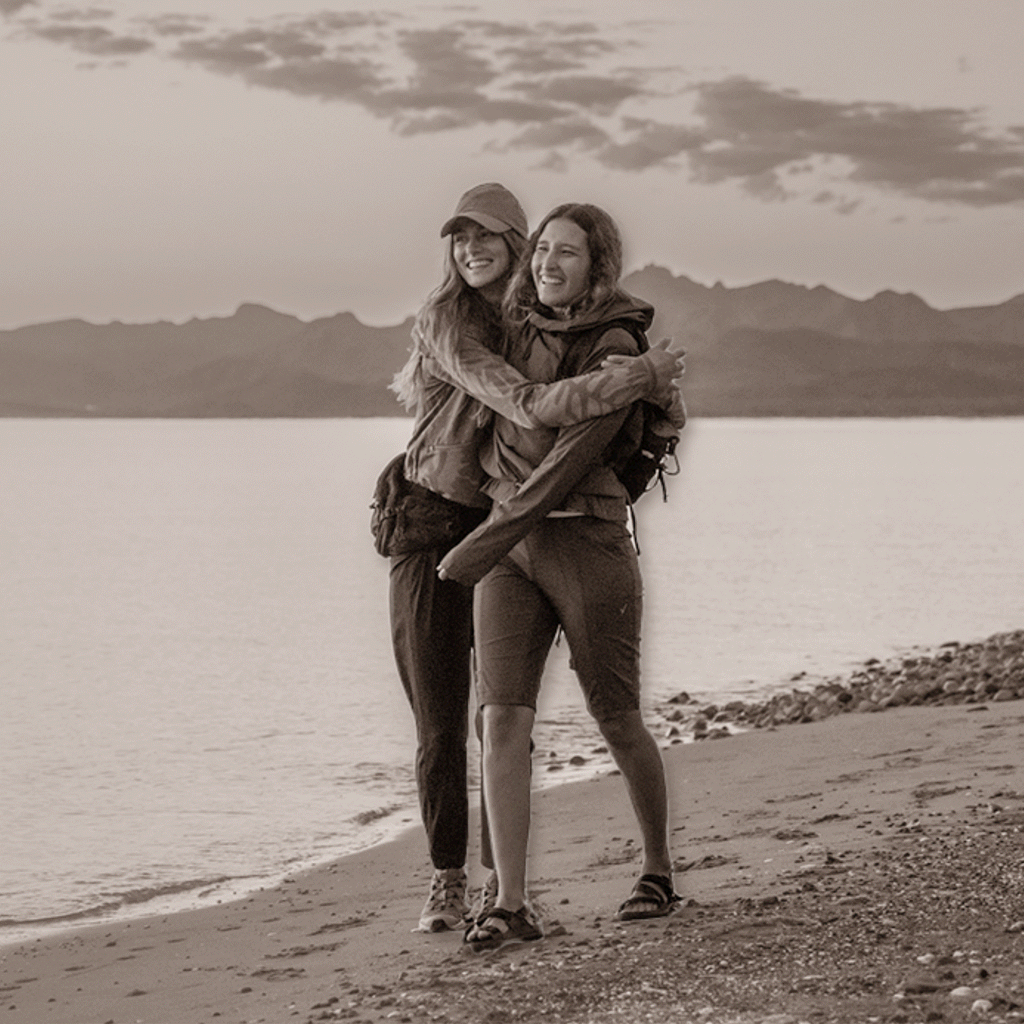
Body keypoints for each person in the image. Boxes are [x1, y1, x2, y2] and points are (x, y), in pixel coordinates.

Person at [380, 184, 684, 932]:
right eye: (459, 239)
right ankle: (477, 888)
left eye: (490, 237)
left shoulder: (563, 327)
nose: (471, 250)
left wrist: (648, 383)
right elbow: (526, 405)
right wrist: (644, 377)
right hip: (448, 529)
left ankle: (626, 872)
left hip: (536, 532)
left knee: (599, 716)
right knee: (471, 718)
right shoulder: (457, 321)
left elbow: (572, 453)